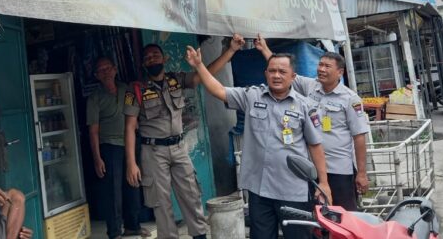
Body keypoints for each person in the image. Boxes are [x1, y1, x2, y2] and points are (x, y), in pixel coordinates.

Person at [187, 48, 331, 239]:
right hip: (260, 190)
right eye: (272, 71)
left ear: (293, 76)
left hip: (293, 190)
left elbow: (315, 146)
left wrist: (324, 183)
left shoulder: (305, 106)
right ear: (265, 74)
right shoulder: (252, 96)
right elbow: (219, 90)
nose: (276, 75)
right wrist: (199, 65)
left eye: (282, 72)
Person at [123, 35, 245, 239]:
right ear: (144, 63)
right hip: (153, 152)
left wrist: (230, 51)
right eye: (147, 57)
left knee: (191, 195)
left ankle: (199, 235)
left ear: (164, 58)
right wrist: (131, 163)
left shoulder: (176, 80)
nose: (152, 59)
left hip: (179, 148)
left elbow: (205, 75)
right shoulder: (136, 89)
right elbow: (129, 127)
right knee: (161, 202)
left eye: (155, 55)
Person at [254, 36, 368, 211]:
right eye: (320, 65)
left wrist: (361, 173)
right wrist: (264, 49)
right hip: (311, 169)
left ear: (340, 72)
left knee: (343, 215)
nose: (321, 69)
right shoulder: (310, 87)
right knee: (316, 216)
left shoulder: (350, 99)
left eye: (327, 66)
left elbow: (359, 137)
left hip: (339, 169)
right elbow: (282, 70)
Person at [87, 57, 149, 239]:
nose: (106, 72)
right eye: (101, 70)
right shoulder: (94, 98)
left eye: (108, 68)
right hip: (109, 147)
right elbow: (93, 132)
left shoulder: (126, 89)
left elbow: (136, 114)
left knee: (133, 185)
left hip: (130, 144)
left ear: (115, 69)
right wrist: (97, 158)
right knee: (113, 192)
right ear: (96, 75)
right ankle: (114, 232)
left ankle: (133, 226)